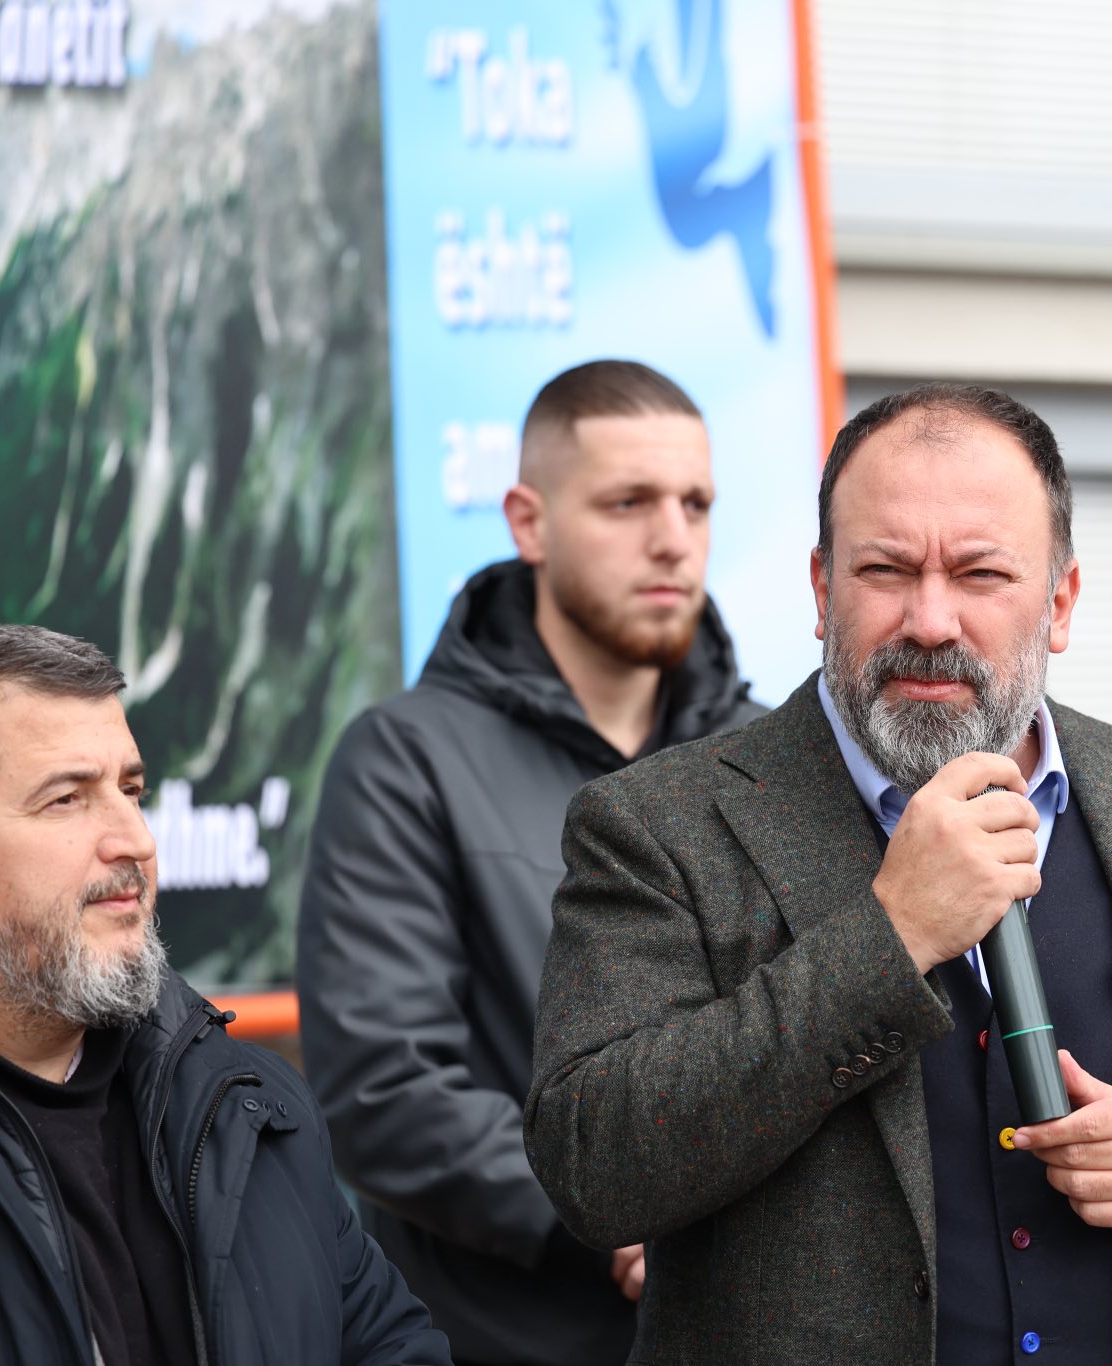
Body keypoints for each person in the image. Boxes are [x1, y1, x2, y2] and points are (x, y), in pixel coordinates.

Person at [524, 383, 1112, 1364]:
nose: (930, 620)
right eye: (885, 569)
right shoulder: (659, 824)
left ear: (1059, 603)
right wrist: (889, 938)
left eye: (979, 574)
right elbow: (591, 1163)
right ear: (821, 589)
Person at [297, 360, 764, 1365]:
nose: (673, 539)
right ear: (528, 522)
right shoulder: (405, 760)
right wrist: (609, 1208)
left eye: (695, 503)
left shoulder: (772, 761)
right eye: (627, 502)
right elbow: (384, 1088)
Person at [0, 624, 448, 1365]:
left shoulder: (249, 1108)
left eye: (131, 791)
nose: (135, 840)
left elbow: (392, 1344)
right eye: (66, 799)